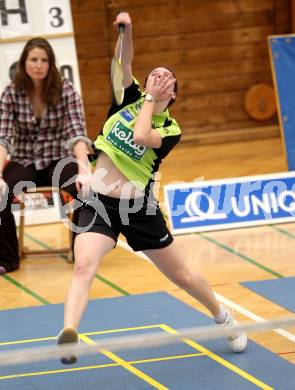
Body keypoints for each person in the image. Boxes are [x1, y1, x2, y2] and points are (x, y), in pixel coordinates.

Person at [57, 12, 247, 364]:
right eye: (154, 72)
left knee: (183, 276)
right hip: (99, 203)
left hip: (138, 210)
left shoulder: (170, 128)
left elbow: (141, 135)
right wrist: (126, 31)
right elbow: (123, 59)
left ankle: (224, 318)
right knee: (84, 266)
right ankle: (69, 333)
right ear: (144, 83)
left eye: (167, 76)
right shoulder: (127, 98)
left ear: (171, 93)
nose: (160, 75)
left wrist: (148, 100)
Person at [0, 37, 92, 275]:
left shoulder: (66, 90)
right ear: (24, 63)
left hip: (57, 159)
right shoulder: (11, 93)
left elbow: (77, 134)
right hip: (24, 161)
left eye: (44, 60)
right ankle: (8, 259)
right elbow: (3, 138)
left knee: (85, 189)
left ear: (51, 64)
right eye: (33, 60)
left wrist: (84, 171)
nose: (39, 65)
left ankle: (81, 251)